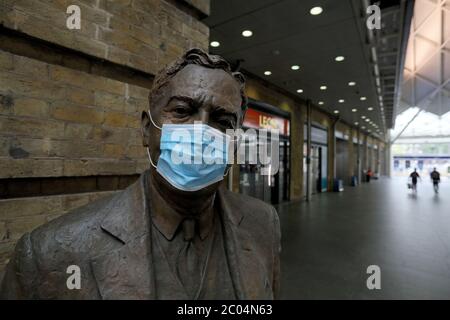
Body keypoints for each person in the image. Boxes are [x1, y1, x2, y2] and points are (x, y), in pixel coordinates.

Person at [0, 49, 281, 300]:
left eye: (223, 121)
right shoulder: (49, 254)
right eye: (182, 110)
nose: (202, 132)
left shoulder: (263, 224)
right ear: (147, 129)